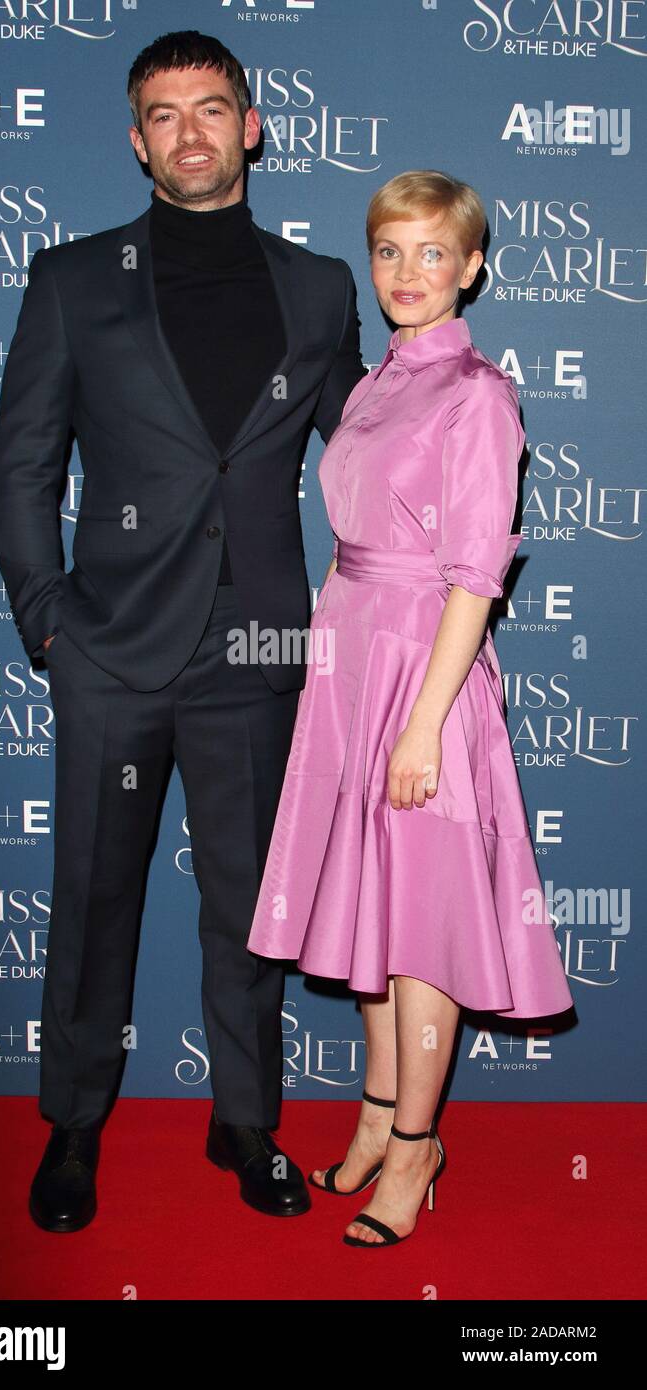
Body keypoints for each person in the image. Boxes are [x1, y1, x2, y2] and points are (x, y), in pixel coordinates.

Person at [0, 29, 366, 1232]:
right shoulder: (70, 279)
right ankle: (74, 1123)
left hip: (256, 650)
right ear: (139, 137)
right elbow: (23, 465)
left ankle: (245, 1119)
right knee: (92, 892)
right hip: (110, 645)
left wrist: (463, 395)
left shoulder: (316, 288)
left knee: (252, 902)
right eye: (165, 113)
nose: (191, 132)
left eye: (212, 108)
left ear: (251, 126)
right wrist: (48, 619)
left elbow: (365, 449)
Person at [247, 170, 574, 1248]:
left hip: (420, 672)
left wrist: (426, 722)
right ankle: (381, 1117)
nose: (407, 274)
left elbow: (475, 575)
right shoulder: (379, 380)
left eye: (432, 253)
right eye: (390, 251)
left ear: (472, 266)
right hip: (351, 660)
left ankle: (420, 1142)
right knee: (379, 915)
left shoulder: (477, 392)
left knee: (423, 929)